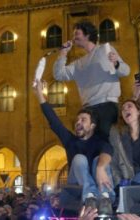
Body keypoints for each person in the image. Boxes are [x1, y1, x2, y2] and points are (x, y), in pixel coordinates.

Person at [33, 79, 114, 215]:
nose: (78, 122)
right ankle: (90, 196)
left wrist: (100, 167)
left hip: (97, 183)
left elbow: (108, 150)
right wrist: (40, 95)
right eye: (77, 120)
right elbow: (54, 120)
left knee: (99, 160)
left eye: (83, 120)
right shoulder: (70, 140)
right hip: (75, 183)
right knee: (79, 159)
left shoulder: (99, 140)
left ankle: (105, 199)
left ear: (92, 126)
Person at [53, 20, 130, 140]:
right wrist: (63, 53)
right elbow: (58, 74)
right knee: (92, 146)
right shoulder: (78, 63)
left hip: (107, 106)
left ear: (87, 35)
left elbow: (125, 71)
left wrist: (116, 63)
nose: (74, 37)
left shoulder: (105, 49)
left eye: (77, 33)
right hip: (88, 109)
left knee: (107, 143)